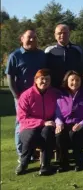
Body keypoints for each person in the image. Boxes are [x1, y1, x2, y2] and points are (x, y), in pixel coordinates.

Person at [5, 29, 46, 162]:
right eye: (29, 37)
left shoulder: (41, 54)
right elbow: (10, 78)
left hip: (39, 97)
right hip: (21, 97)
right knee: (21, 124)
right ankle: (22, 154)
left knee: (36, 124)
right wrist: (16, 96)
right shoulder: (15, 55)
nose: (32, 40)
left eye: (34, 37)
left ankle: (33, 151)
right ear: (21, 39)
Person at [15, 69, 58, 176]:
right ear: (35, 80)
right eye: (42, 79)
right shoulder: (26, 95)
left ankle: (45, 165)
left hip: (47, 126)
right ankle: (24, 163)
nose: (44, 82)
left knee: (48, 133)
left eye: (47, 79)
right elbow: (22, 117)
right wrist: (42, 122)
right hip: (28, 127)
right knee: (31, 136)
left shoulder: (53, 94)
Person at [54, 71, 83, 172]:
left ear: (81, 81)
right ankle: (63, 163)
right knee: (59, 135)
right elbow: (57, 114)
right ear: (67, 81)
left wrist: (81, 124)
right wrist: (59, 124)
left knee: (75, 134)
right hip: (65, 124)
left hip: (82, 124)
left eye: (77, 80)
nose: (75, 82)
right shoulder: (61, 96)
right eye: (72, 80)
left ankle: (79, 162)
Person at [45, 24, 83, 89]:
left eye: (65, 33)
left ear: (69, 34)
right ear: (55, 35)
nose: (62, 35)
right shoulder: (49, 51)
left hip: (74, 88)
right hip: (56, 88)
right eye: (59, 33)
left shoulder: (78, 50)